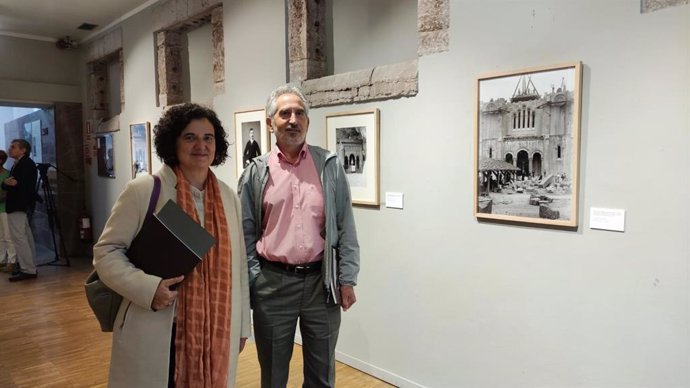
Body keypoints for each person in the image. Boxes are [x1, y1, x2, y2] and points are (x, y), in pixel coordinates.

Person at [93, 103, 251, 388]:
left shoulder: (228, 197)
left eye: (208, 138)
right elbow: (106, 253)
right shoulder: (145, 191)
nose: (200, 145)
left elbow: (239, 266)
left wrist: (240, 326)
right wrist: (149, 289)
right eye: (189, 137)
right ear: (173, 142)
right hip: (158, 325)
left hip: (214, 329)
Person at [238, 85, 360, 388]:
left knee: (322, 375)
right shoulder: (256, 173)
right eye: (284, 113)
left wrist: (347, 278)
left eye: (299, 113)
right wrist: (256, 279)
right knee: (274, 375)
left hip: (323, 284)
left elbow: (345, 227)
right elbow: (244, 234)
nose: (293, 119)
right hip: (273, 286)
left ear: (307, 121)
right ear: (270, 123)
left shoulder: (328, 166)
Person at [2, 139, 38, 281]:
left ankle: (28, 269)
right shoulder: (19, 164)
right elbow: (8, 184)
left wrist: (9, 183)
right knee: (25, 236)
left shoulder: (25, 164)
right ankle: (30, 265)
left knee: (19, 237)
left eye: (13, 147)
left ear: (23, 150)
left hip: (18, 204)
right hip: (19, 204)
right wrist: (7, 183)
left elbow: (19, 185)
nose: (10, 149)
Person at [0, 150, 17, 273]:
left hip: (5, 208)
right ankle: (1, 260)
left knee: (8, 236)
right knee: (0, 237)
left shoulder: (7, 174)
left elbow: (9, 193)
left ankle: (12, 261)